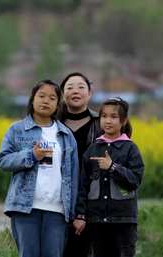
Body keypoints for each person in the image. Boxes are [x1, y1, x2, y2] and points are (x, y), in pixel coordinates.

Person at [0, 79, 79, 257]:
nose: (45, 101)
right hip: (26, 208)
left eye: (52, 98)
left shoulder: (66, 135)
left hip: (57, 210)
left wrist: (75, 213)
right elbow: (3, 160)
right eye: (41, 96)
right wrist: (31, 156)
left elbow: (73, 176)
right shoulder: (17, 130)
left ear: (58, 105)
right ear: (32, 100)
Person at [73, 97, 144, 257]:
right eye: (104, 116)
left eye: (113, 117)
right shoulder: (92, 150)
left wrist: (113, 167)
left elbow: (135, 180)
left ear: (124, 120)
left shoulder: (130, 148)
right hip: (96, 220)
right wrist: (81, 215)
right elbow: (83, 185)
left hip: (123, 220)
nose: (107, 121)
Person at [58, 72, 102, 257]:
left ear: (90, 93)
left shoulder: (100, 124)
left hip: (91, 196)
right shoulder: (53, 124)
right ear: (62, 93)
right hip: (58, 196)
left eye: (81, 87)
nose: (75, 91)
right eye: (69, 87)